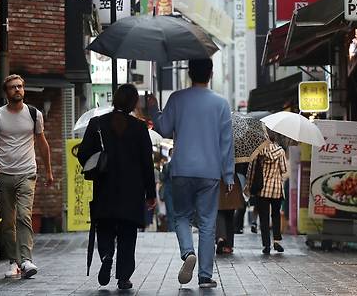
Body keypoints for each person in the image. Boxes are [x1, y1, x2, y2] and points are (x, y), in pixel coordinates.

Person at [148, 58, 234, 289]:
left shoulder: (177, 98)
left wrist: (154, 108)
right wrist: (228, 175)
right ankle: (205, 276)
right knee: (207, 223)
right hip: (210, 171)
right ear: (211, 73)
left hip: (182, 168)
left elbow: (163, 129)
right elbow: (226, 143)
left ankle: (187, 253)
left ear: (189, 73)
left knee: (182, 216)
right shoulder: (221, 104)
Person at [77, 84, 156, 290]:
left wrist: (95, 168)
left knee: (105, 227)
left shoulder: (97, 124)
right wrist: (151, 193)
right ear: (133, 103)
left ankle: (106, 256)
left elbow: (83, 153)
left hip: (104, 187)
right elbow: (147, 163)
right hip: (132, 190)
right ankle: (123, 277)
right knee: (128, 234)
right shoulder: (139, 128)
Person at [0, 74, 53, 279]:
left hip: (27, 172)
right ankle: (14, 262)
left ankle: (26, 260)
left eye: (20, 86)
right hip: (4, 174)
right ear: (7, 92)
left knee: (24, 216)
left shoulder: (34, 114)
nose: (18, 90)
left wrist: (48, 170)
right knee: (7, 221)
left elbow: (42, 142)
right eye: (13, 87)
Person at [245, 130, 290, 255]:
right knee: (275, 215)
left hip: (263, 189)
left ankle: (266, 245)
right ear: (274, 138)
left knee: (263, 218)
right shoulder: (280, 151)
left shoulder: (259, 152)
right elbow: (284, 169)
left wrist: (248, 186)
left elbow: (252, 171)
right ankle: (277, 240)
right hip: (276, 189)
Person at [216, 173, 243, 254]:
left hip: (217, 181)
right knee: (230, 216)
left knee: (219, 212)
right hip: (232, 183)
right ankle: (228, 245)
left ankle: (221, 237)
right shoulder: (233, 160)